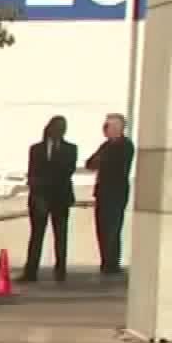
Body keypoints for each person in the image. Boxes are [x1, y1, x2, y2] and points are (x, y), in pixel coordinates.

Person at [22, 115, 78, 284]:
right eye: (57, 127)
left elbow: (67, 171)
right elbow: (33, 173)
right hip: (40, 198)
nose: (59, 131)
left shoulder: (70, 149)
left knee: (61, 235)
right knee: (36, 235)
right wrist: (38, 195)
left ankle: (60, 272)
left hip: (60, 197)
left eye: (63, 127)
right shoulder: (36, 149)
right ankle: (30, 272)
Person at [85, 113, 134, 276]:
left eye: (109, 126)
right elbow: (90, 163)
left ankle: (112, 263)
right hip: (102, 192)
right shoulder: (105, 146)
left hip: (116, 193)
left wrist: (102, 160)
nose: (105, 130)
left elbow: (114, 165)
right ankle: (106, 261)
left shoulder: (125, 145)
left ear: (118, 128)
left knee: (113, 228)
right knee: (102, 228)